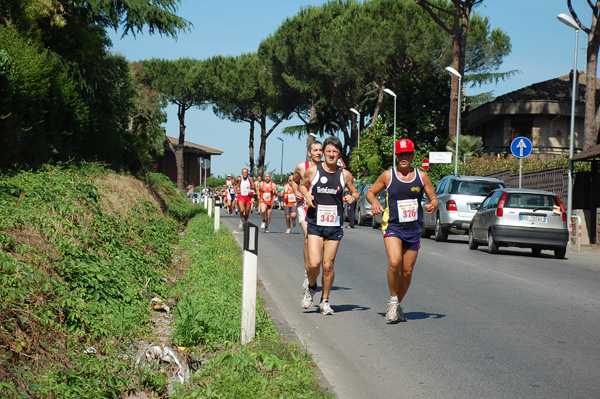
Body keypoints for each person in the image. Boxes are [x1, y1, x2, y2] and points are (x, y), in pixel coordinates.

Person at [366, 139, 438, 322]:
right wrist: (374, 202)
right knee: (395, 262)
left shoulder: (421, 177)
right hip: (393, 226)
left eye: (407, 154)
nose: (404, 157)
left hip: (413, 229)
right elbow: (370, 192)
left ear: (413, 155)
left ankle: (397, 304)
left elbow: (434, 198)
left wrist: (432, 205)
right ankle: (392, 301)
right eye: (400, 154)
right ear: (396, 156)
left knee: (407, 271)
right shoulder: (388, 176)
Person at [298, 136, 359, 315]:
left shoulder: (344, 174)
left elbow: (355, 192)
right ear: (323, 152)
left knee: (328, 265)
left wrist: (352, 197)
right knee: (315, 263)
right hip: (315, 223)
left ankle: (325, 300)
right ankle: (311, 287)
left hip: (334, 225)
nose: (331, 154)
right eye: (328, 151)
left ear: (339, 153)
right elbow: (302, 186)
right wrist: (307, 196)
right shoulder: (313, 171)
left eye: (334, 151)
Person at [290, 140, 323, 290]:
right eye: (315, 150)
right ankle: (307, 273)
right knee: (308, 237)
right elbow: (293, 180)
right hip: (304, 207)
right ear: (309, 152)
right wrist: (296, 191)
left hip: (320, 209)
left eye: (320, 150)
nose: (318, 153)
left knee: (316, 243)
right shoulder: (302, 167)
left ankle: (310, 270)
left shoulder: (327, 167)